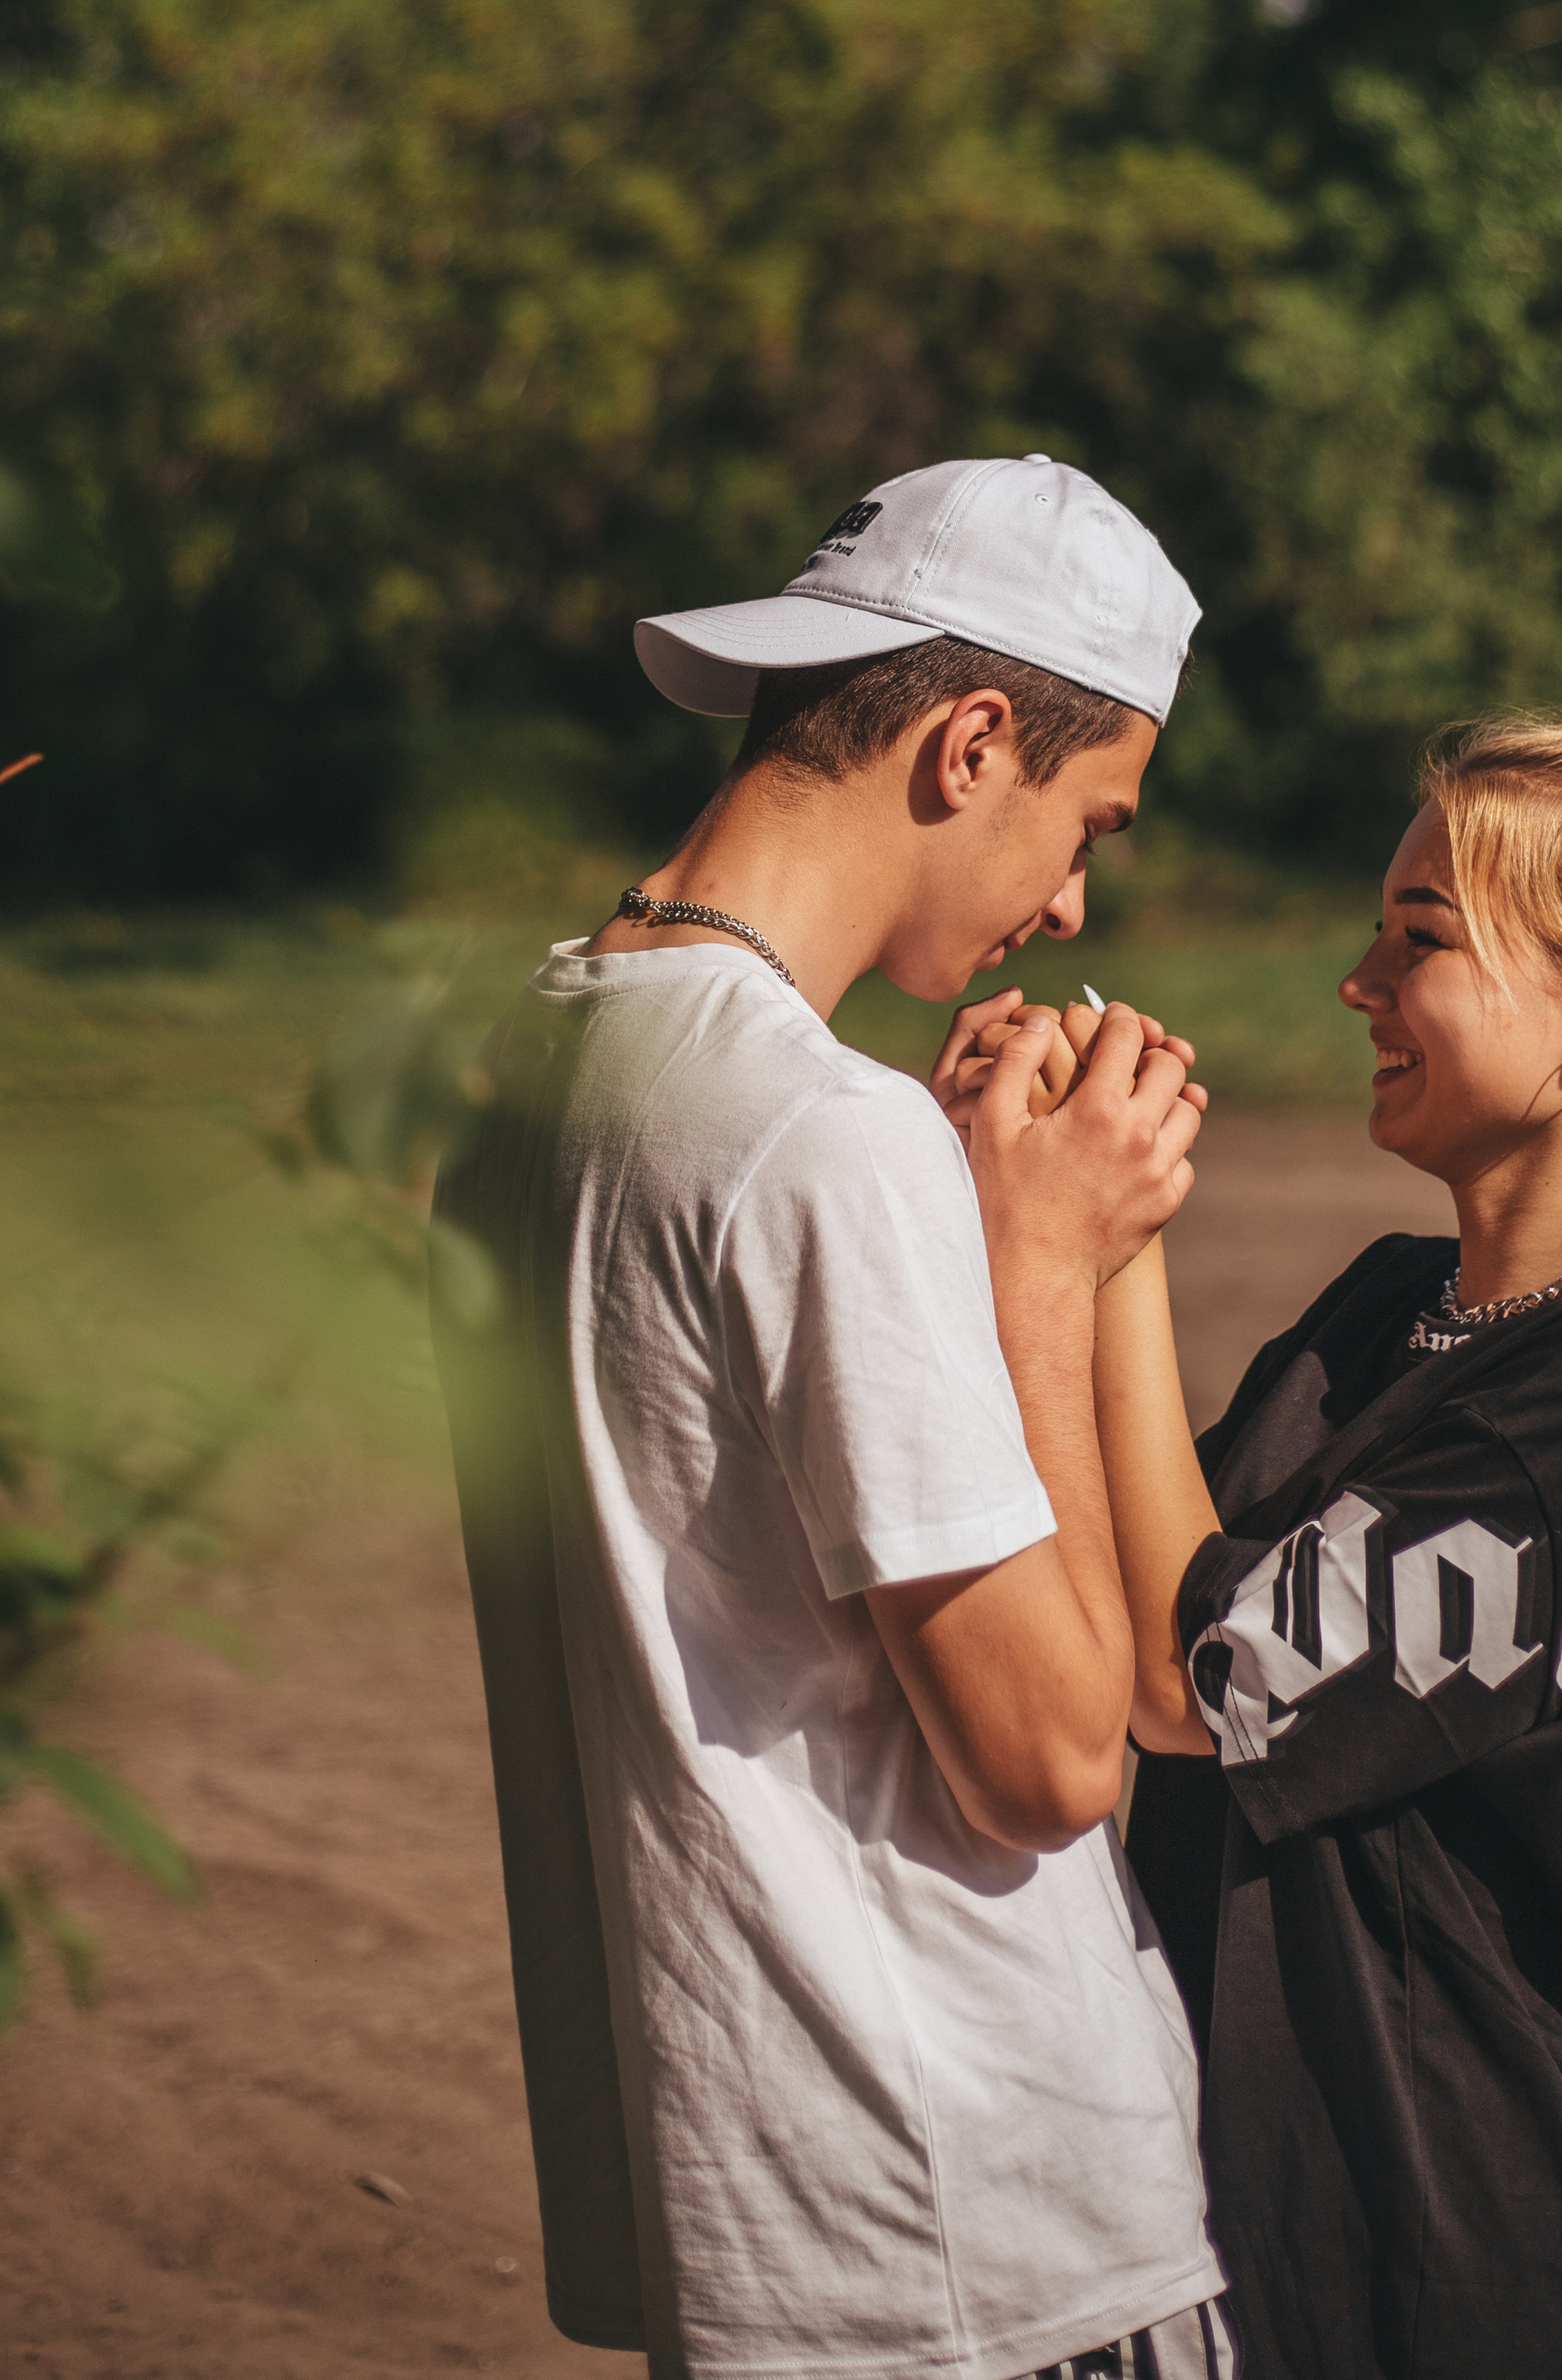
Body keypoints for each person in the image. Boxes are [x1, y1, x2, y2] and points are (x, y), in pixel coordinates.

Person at [431, 455, 1235, 2380]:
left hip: (742, 2205)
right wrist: (1043, 1261)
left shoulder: (529, 1072)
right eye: (1088, 827)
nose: (1063, 901)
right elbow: (1049, 1760)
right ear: (971, 743)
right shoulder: (826, 1135)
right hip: (972, 2224)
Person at [1001, 715, 1562, 2380]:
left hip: (1458, 2267)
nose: (1357, 984)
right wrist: (1073, 1224)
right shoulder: (1387, 1311)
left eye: (1421, 944)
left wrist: (1098, 1252)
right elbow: (1110, 1608)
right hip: (1264, 2237)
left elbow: (1205, 1684)